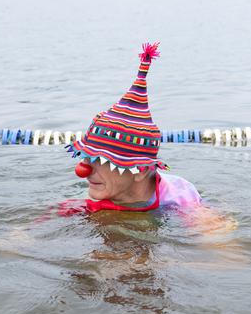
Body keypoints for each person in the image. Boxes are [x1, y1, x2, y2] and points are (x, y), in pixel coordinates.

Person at [56, 42, 203, 216]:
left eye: (99, 160)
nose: (83, 169)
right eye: (86, 156)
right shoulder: (83, 201)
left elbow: (214, 234)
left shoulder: (180, 197)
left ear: (141, 170)